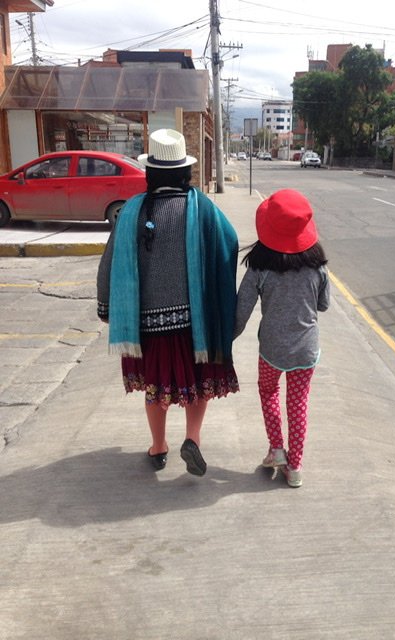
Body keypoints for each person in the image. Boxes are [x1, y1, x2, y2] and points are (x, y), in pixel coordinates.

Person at [97, 129, 239, 476]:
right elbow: (231, 241)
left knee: (155, 387)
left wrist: (106, 307)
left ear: (151, 171)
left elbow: (109, 261)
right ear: (183, 170)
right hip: (196, 324)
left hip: (146, 325)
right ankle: (192, 439)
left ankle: (159, 447)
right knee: (199, 382)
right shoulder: (201, 207)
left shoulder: (131, 210)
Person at [234, 189, 330, 487]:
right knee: (299, 402)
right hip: (306, 348)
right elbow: (323, 305)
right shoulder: (318, 266)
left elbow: (242, 311)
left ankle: (277, 449)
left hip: (272, 349)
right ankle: (296, 467)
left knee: (268, 391)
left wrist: (228, 339)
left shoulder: (260, 267)